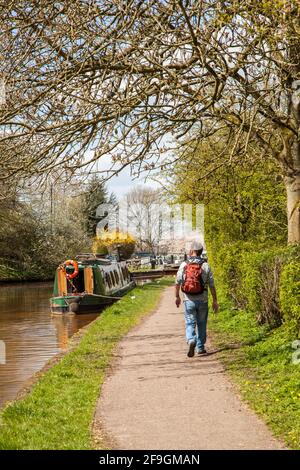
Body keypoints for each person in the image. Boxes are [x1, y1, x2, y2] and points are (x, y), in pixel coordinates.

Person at [175, 241, 219, 357]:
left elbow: (178, 281)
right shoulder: (205, 265)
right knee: (202, 323)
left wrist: (177, 297)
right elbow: (212, 285)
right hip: (203, 300)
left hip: (188, 300)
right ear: (201, 252)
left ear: (192, 251)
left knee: (190, 322)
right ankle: (200, 347)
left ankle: (191, 340)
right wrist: (215, 301)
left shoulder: (184, 265)